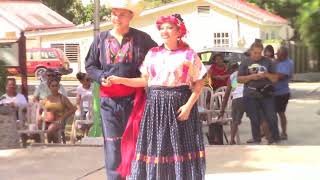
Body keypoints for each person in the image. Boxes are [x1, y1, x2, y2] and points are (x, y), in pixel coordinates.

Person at [109, 13, 206, 180]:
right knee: (156, 148)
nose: (164, 31)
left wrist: (189, 107)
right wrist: (120, 80)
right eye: (162, 28)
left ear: (179, 31)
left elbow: (199, 83)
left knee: (179, 148)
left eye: (170, 28)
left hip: (179, 105)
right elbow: (145, 81)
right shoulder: (153, 53)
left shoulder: (189, 54)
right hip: (155, 107)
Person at [84, 0, 157, 179]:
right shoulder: (100, 39)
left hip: (135, 100)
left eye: (122, 14)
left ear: (131, 16)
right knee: (113, 143)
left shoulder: (142, 38)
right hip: (108, 101)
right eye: (114, 13)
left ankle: (137, 176)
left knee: (136, 140)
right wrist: (101, 77)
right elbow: (90, 66)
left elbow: (159, 56)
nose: (117, 18)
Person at [238, 41, 280, 144]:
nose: (257, 55)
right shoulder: (245, 62)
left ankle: (275, 138)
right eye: (255, 53)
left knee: (271, 116)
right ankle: (256, 139)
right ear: (251, 51)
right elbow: (238, 79)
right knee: (254, 118)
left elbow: (275, 79)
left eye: (259, 53)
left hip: (266, 93)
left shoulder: (268, 62)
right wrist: (251, 77)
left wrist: (266, 75)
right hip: (250, 93)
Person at [41, 78, 75, 143]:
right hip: (47, 121)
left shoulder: (62, 98)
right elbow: (40, 108)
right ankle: (47, 145)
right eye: (52, 86)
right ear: (49, 87)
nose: (54, 88)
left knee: (51, 129)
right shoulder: (47, 98)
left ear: (59, 87)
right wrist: (41, 116)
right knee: (35, 128)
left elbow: (72, 109)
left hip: (59, 121)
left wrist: (63, 118)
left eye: (56, 86)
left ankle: (52, 145)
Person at [219, 62, 244, 145]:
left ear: (231, 69)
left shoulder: (232, 77)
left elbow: (226, 95)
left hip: (237, 98)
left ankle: (232, 140)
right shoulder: (245, 72)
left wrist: (222, 110)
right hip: (249, 96)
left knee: (234, 121)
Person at [206, 53, 229, 145]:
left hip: (225, 88)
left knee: (222, 102)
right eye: (216, 59)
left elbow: (231, 76)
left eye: (220, 59)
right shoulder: (213, 67)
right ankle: (207, 115)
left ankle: (222, 117)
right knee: (209, 97)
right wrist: (216, 77)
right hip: (214, 88)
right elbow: (210, 75)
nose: (218, 61)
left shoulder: (226, 67)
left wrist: (224, 77)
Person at [274, 46, 294, 140]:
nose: (277, 55)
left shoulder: (288, 63)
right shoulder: (276, 61)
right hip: (273, 92)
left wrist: (268, 75)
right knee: (271, 113)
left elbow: (281, 76)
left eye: (279, 54)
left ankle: (284, 132)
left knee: (281, 113)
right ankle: (273, 132)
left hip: (282, 93)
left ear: (285, 55)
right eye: (277, 53)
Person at [75, 72, 93, 136]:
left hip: (93, 108)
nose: (89, 81)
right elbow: (78, 102)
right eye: (87, 79)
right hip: (84, 108)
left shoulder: (94, 87)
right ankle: (83, 133)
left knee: (89, 115)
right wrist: (79, 109)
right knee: (78, 114)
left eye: (90, 79)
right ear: (81, 81)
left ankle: (87, 134)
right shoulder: (79, 88)